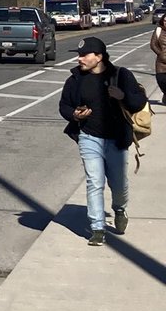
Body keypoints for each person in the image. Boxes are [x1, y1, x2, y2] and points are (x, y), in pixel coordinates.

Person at [58, 36, 147, 246]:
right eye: (78, 55)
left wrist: (122, 96)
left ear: (99, 57)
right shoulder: (74, 80)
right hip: (89, 137)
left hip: (116, 140)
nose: (79, 59)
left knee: (119, 184)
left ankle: (119, 208)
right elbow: (64, 106)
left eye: (84, 55)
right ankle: (97, 227)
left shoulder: (121, 75)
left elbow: (138, 103)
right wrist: (75, 115)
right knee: (94, 182)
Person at [150, 13, 166, 101]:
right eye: (164, 21)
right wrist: (160, 54)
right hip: (161, 63)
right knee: (161, 81)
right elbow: (153, 44)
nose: (165, 22)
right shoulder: (158, 30)